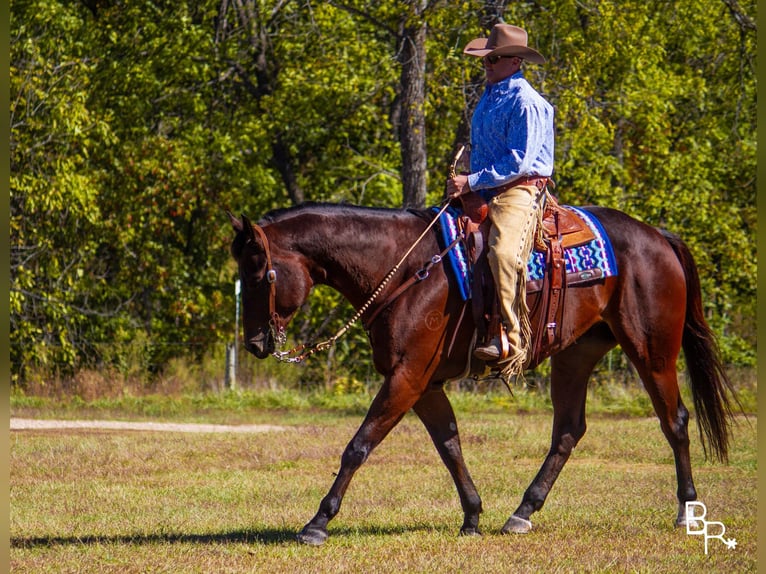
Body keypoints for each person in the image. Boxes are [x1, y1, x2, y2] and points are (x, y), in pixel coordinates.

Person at [446, 23, 554, 378]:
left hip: (520, 189)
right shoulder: (491, 94)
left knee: (504, 252)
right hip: (484, 187)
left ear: (514, 61)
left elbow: (519, 161)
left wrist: (471, 180)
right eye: (485, 59)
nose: (486, 65)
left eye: (493, 59)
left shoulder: (527, 103)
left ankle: (511, 337)